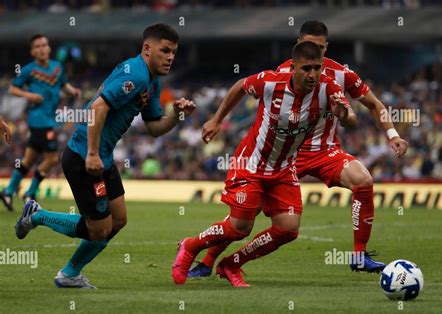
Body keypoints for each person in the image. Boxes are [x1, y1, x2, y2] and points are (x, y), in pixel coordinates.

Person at [189, 20, 409, 278]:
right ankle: (208, 260)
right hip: (284, 154)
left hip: (325, 151)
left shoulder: (342, 75)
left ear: (326, 48)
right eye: (307, 46)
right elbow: (255, 98)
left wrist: (392, 134)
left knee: (363, 180)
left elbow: (374, 105)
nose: (313, 52)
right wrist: (218, 120)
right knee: (247, 213)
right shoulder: (285, 72)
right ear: (297, 46)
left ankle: (359, 254)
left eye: (319, 47)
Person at [14, 23, 196, 288]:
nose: (170, 57)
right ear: (147, 49)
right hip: (84, 157)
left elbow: (155, 128)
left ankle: (70, 274)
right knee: (98, 230)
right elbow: (97, 108)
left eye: (174, 52)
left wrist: (178, 116)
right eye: (165, 50)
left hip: (103, 157)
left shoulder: (151, 81)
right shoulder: (135, 74)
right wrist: (91, 154)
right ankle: (38, 217)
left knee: (118, 220)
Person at [173, 41, 356, 287]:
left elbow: (350, 118)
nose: (312, 75)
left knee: (288, 229)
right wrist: (217, 120)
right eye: (306, 69)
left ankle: (232, 264)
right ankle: (190, 245)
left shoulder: (328, 87)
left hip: (283, 168)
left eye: (317, 68)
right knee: (240, 227)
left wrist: (343, 115)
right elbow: (239, 86)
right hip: (251, 165)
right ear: (293, 67)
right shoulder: (270, 82)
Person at [0, 34, 81, 210]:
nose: (42, 49)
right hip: (39, 121)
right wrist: (29, 95)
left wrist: (73, 91)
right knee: (52, 158)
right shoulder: (29, 70)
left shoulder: (57, 67)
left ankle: (8, 191)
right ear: (32, 52)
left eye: (44, 45)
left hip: (48, 120)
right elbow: (13, 88)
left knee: (29, 159)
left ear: (49, 48)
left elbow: (63, 85)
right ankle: (30, 192)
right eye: (37, 46)